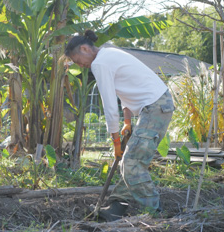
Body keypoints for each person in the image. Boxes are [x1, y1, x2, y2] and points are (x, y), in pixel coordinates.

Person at [65, 30, 174, 221]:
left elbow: (109, 103)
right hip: (155, 106)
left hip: (154, 107)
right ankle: (116, 208)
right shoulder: (109, 54)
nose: (79, 65)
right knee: (131, 161)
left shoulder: (100, 63)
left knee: (131, 163)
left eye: (77, 59)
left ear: (84, 48)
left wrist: (115, 140)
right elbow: (125, 93)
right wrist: (127, 122)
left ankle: (156, 214)